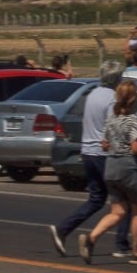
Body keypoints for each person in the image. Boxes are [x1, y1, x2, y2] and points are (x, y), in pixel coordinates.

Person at [50, 60, 131, 259]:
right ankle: (122, 244)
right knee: (124, 200)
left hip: (87, 153)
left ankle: (63, 229)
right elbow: (114, 129)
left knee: (96, 199)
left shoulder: (92, 94)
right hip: (104, 155)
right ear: (117, 79)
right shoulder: (113, 99)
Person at [79, 80, 137, 265]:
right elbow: (135, 148)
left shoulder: (111, 120)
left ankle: (91, 239)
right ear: (133, 99)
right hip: (129, 168)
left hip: (111, 167)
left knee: (118, 211)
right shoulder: (133, 120)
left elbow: (104, 145)